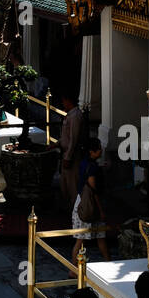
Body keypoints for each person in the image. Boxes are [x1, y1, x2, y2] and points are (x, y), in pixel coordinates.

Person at [72, 136, 112, 266]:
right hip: (89, 205)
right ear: (92, 151)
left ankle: (73, 269)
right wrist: (101, 210)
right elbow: (93, 190)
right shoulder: (93, 168)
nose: (100, 151)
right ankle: (73, 269)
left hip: (82, 201)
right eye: (98, 149)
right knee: (85, 239)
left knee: (87, 238)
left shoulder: (84, 163)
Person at [58, 89, 85, 219]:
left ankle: (76, 211)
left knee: (72, 184)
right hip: (66, 152)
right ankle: (69, 208)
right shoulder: (71, 114)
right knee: (65, 184)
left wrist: (68, 157)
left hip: (72, 155)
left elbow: (73, 139)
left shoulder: (75, 116)